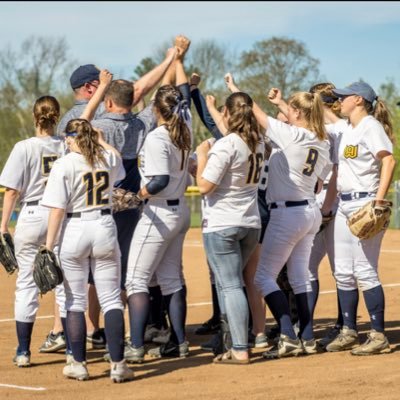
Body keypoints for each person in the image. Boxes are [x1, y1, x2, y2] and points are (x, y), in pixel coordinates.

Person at [41, 118, 133, 382]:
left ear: (71, 138)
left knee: (74, 301)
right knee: (112, 299)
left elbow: (58, 209)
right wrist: (101, 139)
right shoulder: (106, 158)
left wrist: (48, 246)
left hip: (75, 229)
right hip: (104, 225)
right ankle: (118, 365)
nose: (65, 142)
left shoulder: (64, 163)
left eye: (67, 138)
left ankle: (78, 364)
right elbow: (116, 157)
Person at [252, 87, 331, 359]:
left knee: (263, 277)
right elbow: (320, 183)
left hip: (288, 214)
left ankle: (287, 335)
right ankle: (307, 337)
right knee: (300, 277)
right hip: (310, 211)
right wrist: (282, 103)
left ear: (296, 113)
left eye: (291, 111)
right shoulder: (322, 140)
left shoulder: (294, 134)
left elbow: (257, 114)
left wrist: (237, 91)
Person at [321, 81, 396, 355]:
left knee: (364, 270)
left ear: (359, 100)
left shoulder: (370, 127)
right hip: (344, 204)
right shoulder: (348, 128)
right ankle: (349, 331)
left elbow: (388, 160)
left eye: (344, 97)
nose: (339, 100)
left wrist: (378, 200)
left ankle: (378, 335)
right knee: (342, 271)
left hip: (365, 202)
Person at [125, 72, 193, 360]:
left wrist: (137, 195)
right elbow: (186, 100)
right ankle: (178, 342)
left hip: (160, 212)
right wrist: (178, 64)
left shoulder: (157, 137)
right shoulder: (184, 128)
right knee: (171, 280)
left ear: (156, 109)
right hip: (180, 212)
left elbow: (159, 180)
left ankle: (136, 346)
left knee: (136, 281)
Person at [196, 91, 265, 364]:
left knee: (231, 284)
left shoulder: (227, 145)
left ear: (227, 113)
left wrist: (203, 155)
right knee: (230, 285)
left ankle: (239, 346)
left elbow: (204, 186)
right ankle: (231, 342)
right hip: (250, 223)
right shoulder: (257, 142)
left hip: (223, 223)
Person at [0, 96, 67, 367]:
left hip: (31, 215)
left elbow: (12, 190)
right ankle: (72, 348)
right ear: (57, 116)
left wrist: (3, 226)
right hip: (59, 215)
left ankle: (23, 351)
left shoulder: (23, 147)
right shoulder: (66, 145)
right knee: (65, 282)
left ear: (34, 116)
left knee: (27, 285)